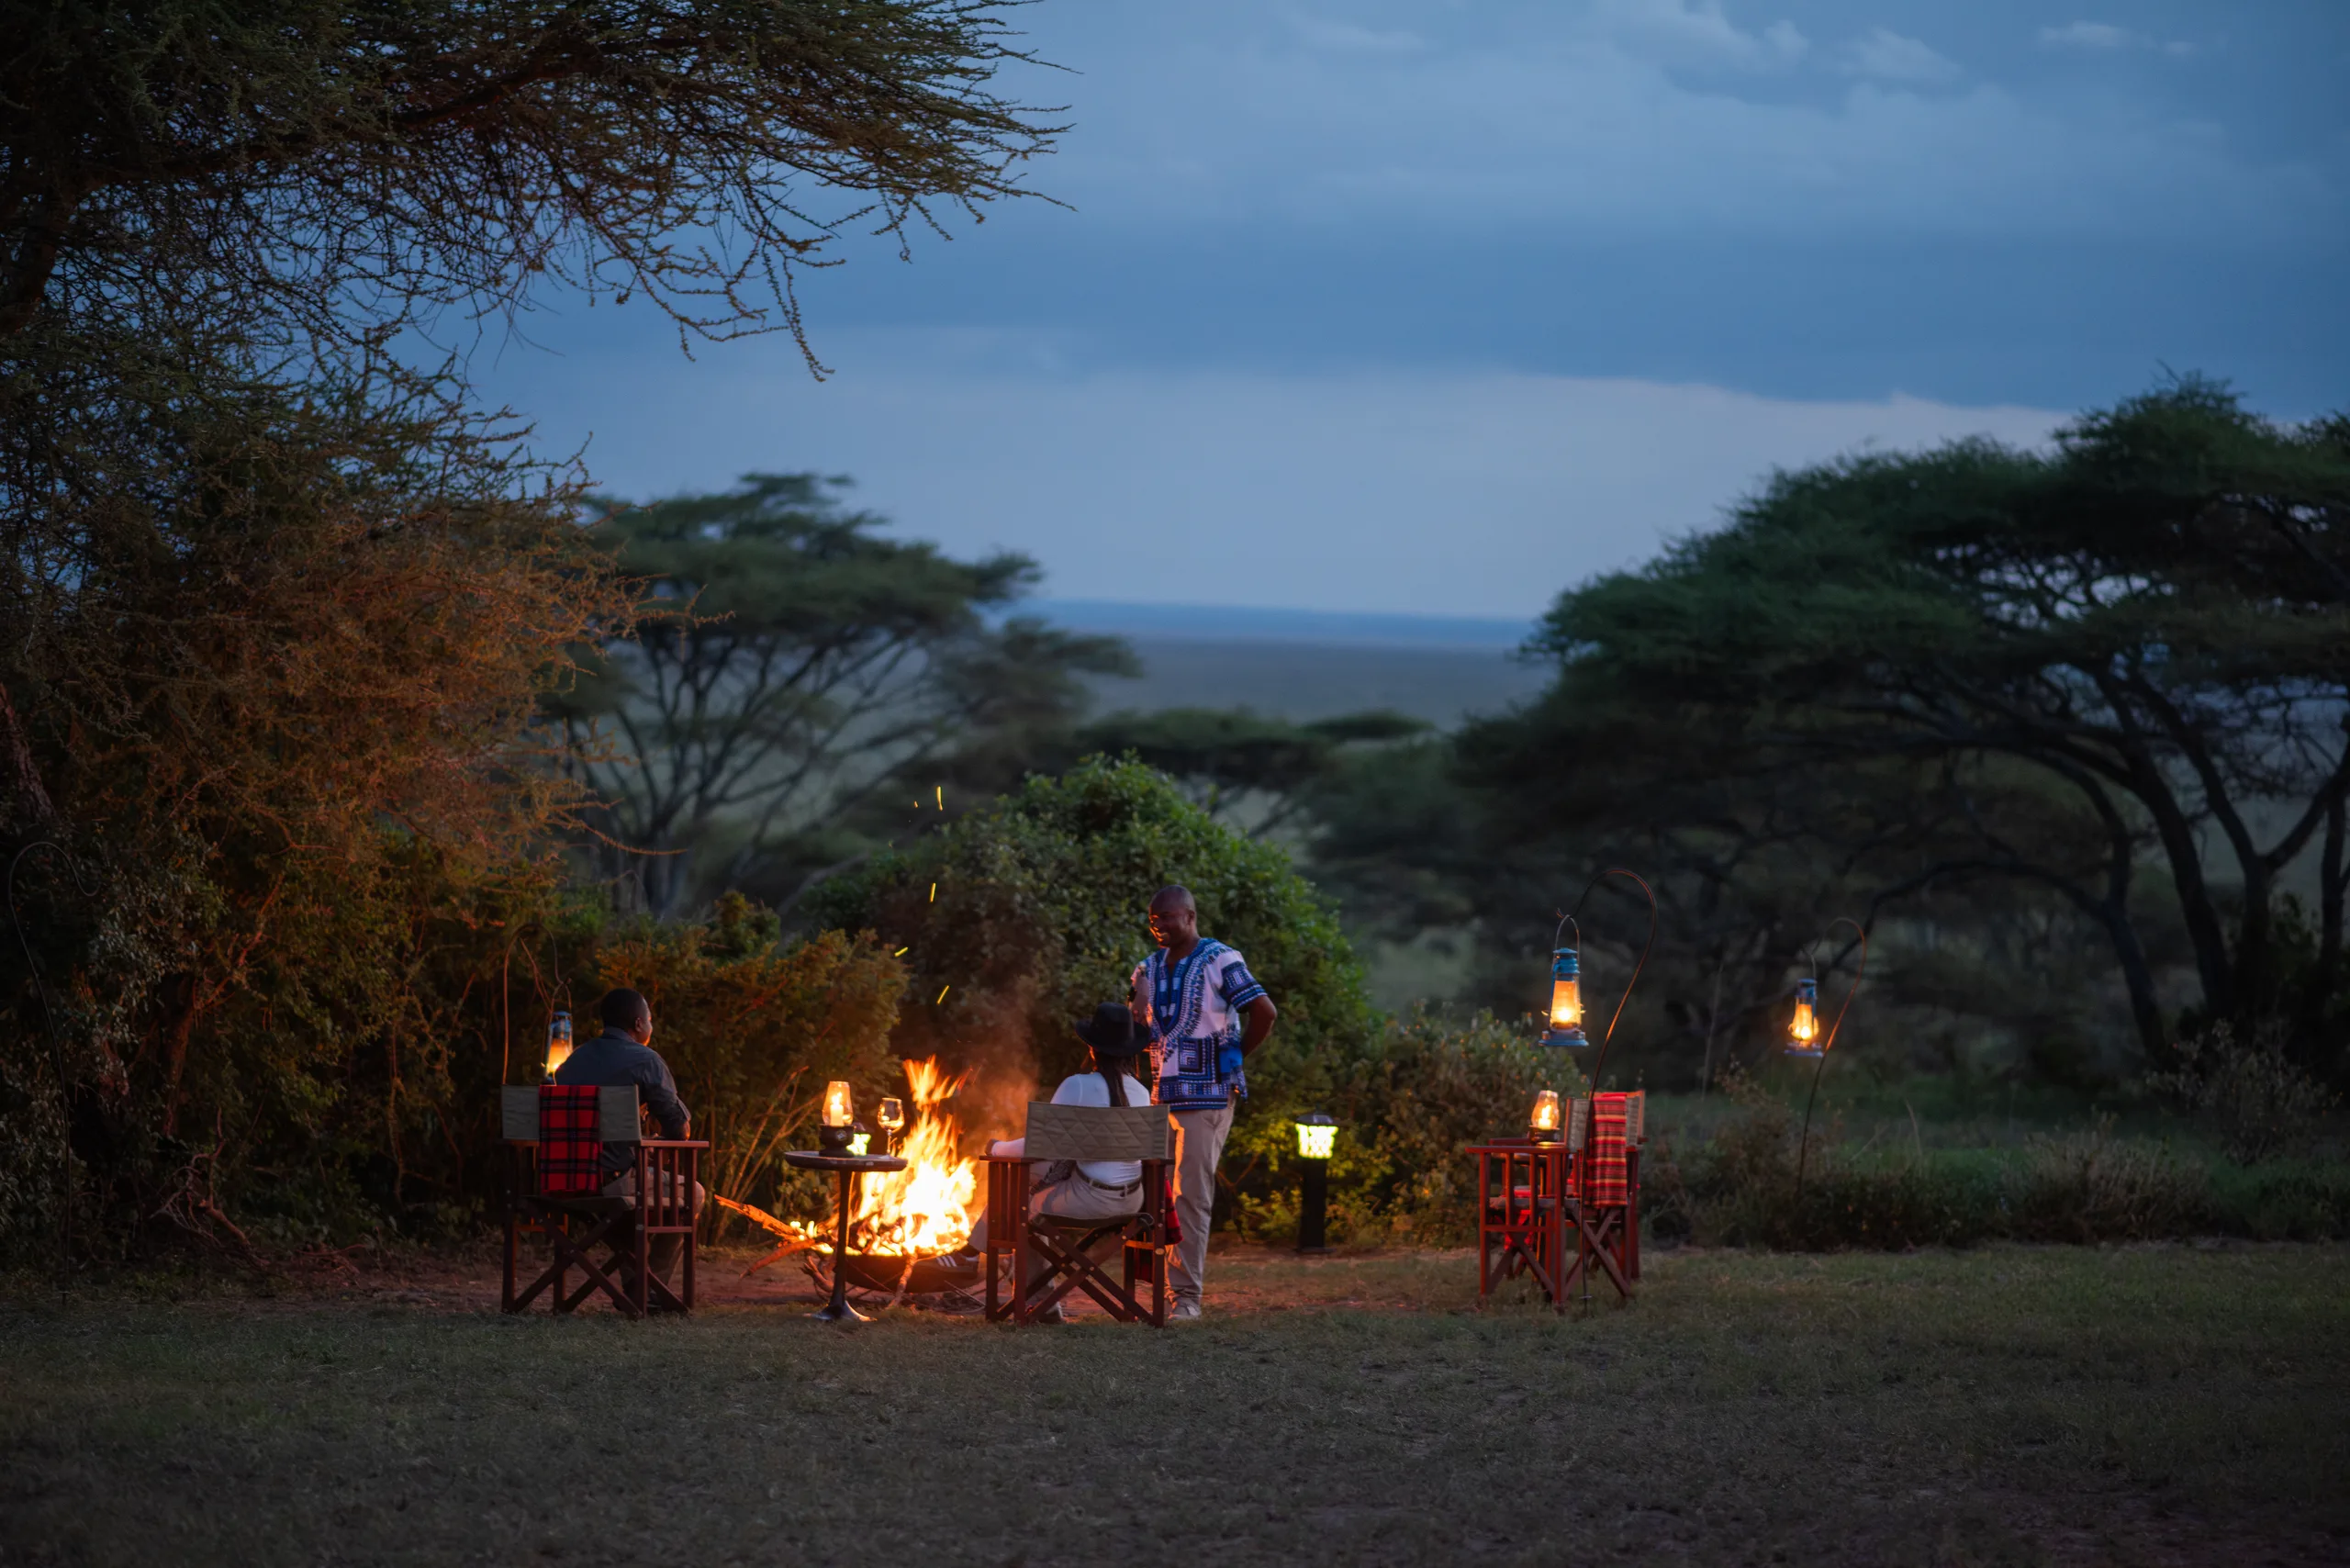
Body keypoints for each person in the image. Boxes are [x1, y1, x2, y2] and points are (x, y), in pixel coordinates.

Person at [952, 1002, 1159, 1321]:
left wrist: (997, 1147)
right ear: (1130, 1051)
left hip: (1088, 1199)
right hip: (1134, 1200)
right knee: (1026, 1186)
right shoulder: (1142, 1092)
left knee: (1018, 1197)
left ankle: (1032, 1296)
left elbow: (1041, 1145)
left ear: (1092, 1049)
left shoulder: (1077, 1085)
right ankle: (973, 1257)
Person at [1131, 884, 1277, 1320]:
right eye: (1153, 920)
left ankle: (1186, 1297)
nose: (1159, 926)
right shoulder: (1147, 969)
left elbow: (1265, 1011)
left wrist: (1232, 1060)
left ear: (1190, 917)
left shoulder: (1220, 959)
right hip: (1160, 1100)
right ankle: (1155, 1290)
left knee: (1190, 1196)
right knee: (1150, 1196)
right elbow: (1136, 1032)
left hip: (1208, 1096)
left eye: (1167, 918)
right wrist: (1136, 1003)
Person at [554, 987, 705, 1301]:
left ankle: (637, 1280)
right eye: (650, 1019)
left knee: (629, 1198)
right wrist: (653, 1143)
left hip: (563, 1181)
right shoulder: (645, 1060)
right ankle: (650, 1287)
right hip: (612, 1181)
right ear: (638, 1024)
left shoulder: (572, 1061)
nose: (651, 1025)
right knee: (693, 1193)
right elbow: (679, 1130)